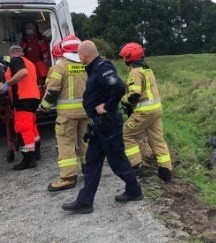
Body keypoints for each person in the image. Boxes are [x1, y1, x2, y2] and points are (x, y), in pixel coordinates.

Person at [62, 40, 143, 214]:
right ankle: (85, 202)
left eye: (79, 54)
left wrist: (107, 106)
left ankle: (134, 190)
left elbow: (119, 87)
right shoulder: (94, 69)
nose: (78, 57)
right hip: (100, 126)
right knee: (92, 161)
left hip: (108, 124)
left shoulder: (102, 68)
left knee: (117, 162)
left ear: (84, 55)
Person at [40, 35, 88, 192]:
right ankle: (89, 170)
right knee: (85, 142)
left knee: (66, 144)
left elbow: (52, 92)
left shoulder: (60, 67)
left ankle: (68, 178)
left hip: (67, 115)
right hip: (87, 112)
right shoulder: (87, 65)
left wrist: (44, 108)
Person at [119, 42, 172, 182]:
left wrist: (123, 99)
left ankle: (135, 167)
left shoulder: (134, 72)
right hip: (156, 110)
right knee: (157, 140)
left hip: (144, 112)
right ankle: (165, 171)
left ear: (128, 57)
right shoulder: (147, 69)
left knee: (126, 133)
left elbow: (134, 95)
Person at [0, 45, 41, 170]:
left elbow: (23, 72)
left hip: (23, 98)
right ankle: (36, 153)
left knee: (24, 128)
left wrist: (7, 84)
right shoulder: (29, 62)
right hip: (34, 97)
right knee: (32, 126)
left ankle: (29, 159)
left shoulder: (15, 60)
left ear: (11, 53)